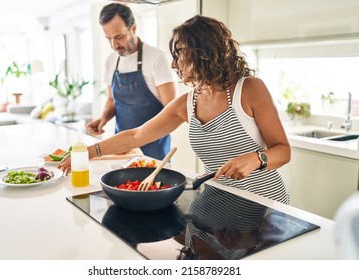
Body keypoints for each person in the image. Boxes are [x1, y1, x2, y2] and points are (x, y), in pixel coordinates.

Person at [59, 15, 290, 204]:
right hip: (219, 200)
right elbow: (136, 136)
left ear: (204, 51)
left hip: (265, 203)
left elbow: (283, 151)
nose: (173, 63)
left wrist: (256, 159)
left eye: (179, 52)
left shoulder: (249, 89)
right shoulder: (187, 103)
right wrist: (86, 152)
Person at [86, 3, 177, 160]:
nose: (114, 45)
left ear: (133, 28)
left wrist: (137, 139)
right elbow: (111, 100)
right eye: (109, 39)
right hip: (121, 149)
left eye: (119, 37)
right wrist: (104, 118)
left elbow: (172, 110)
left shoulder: (156, 58)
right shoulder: (111, 61)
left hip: (154, 150)